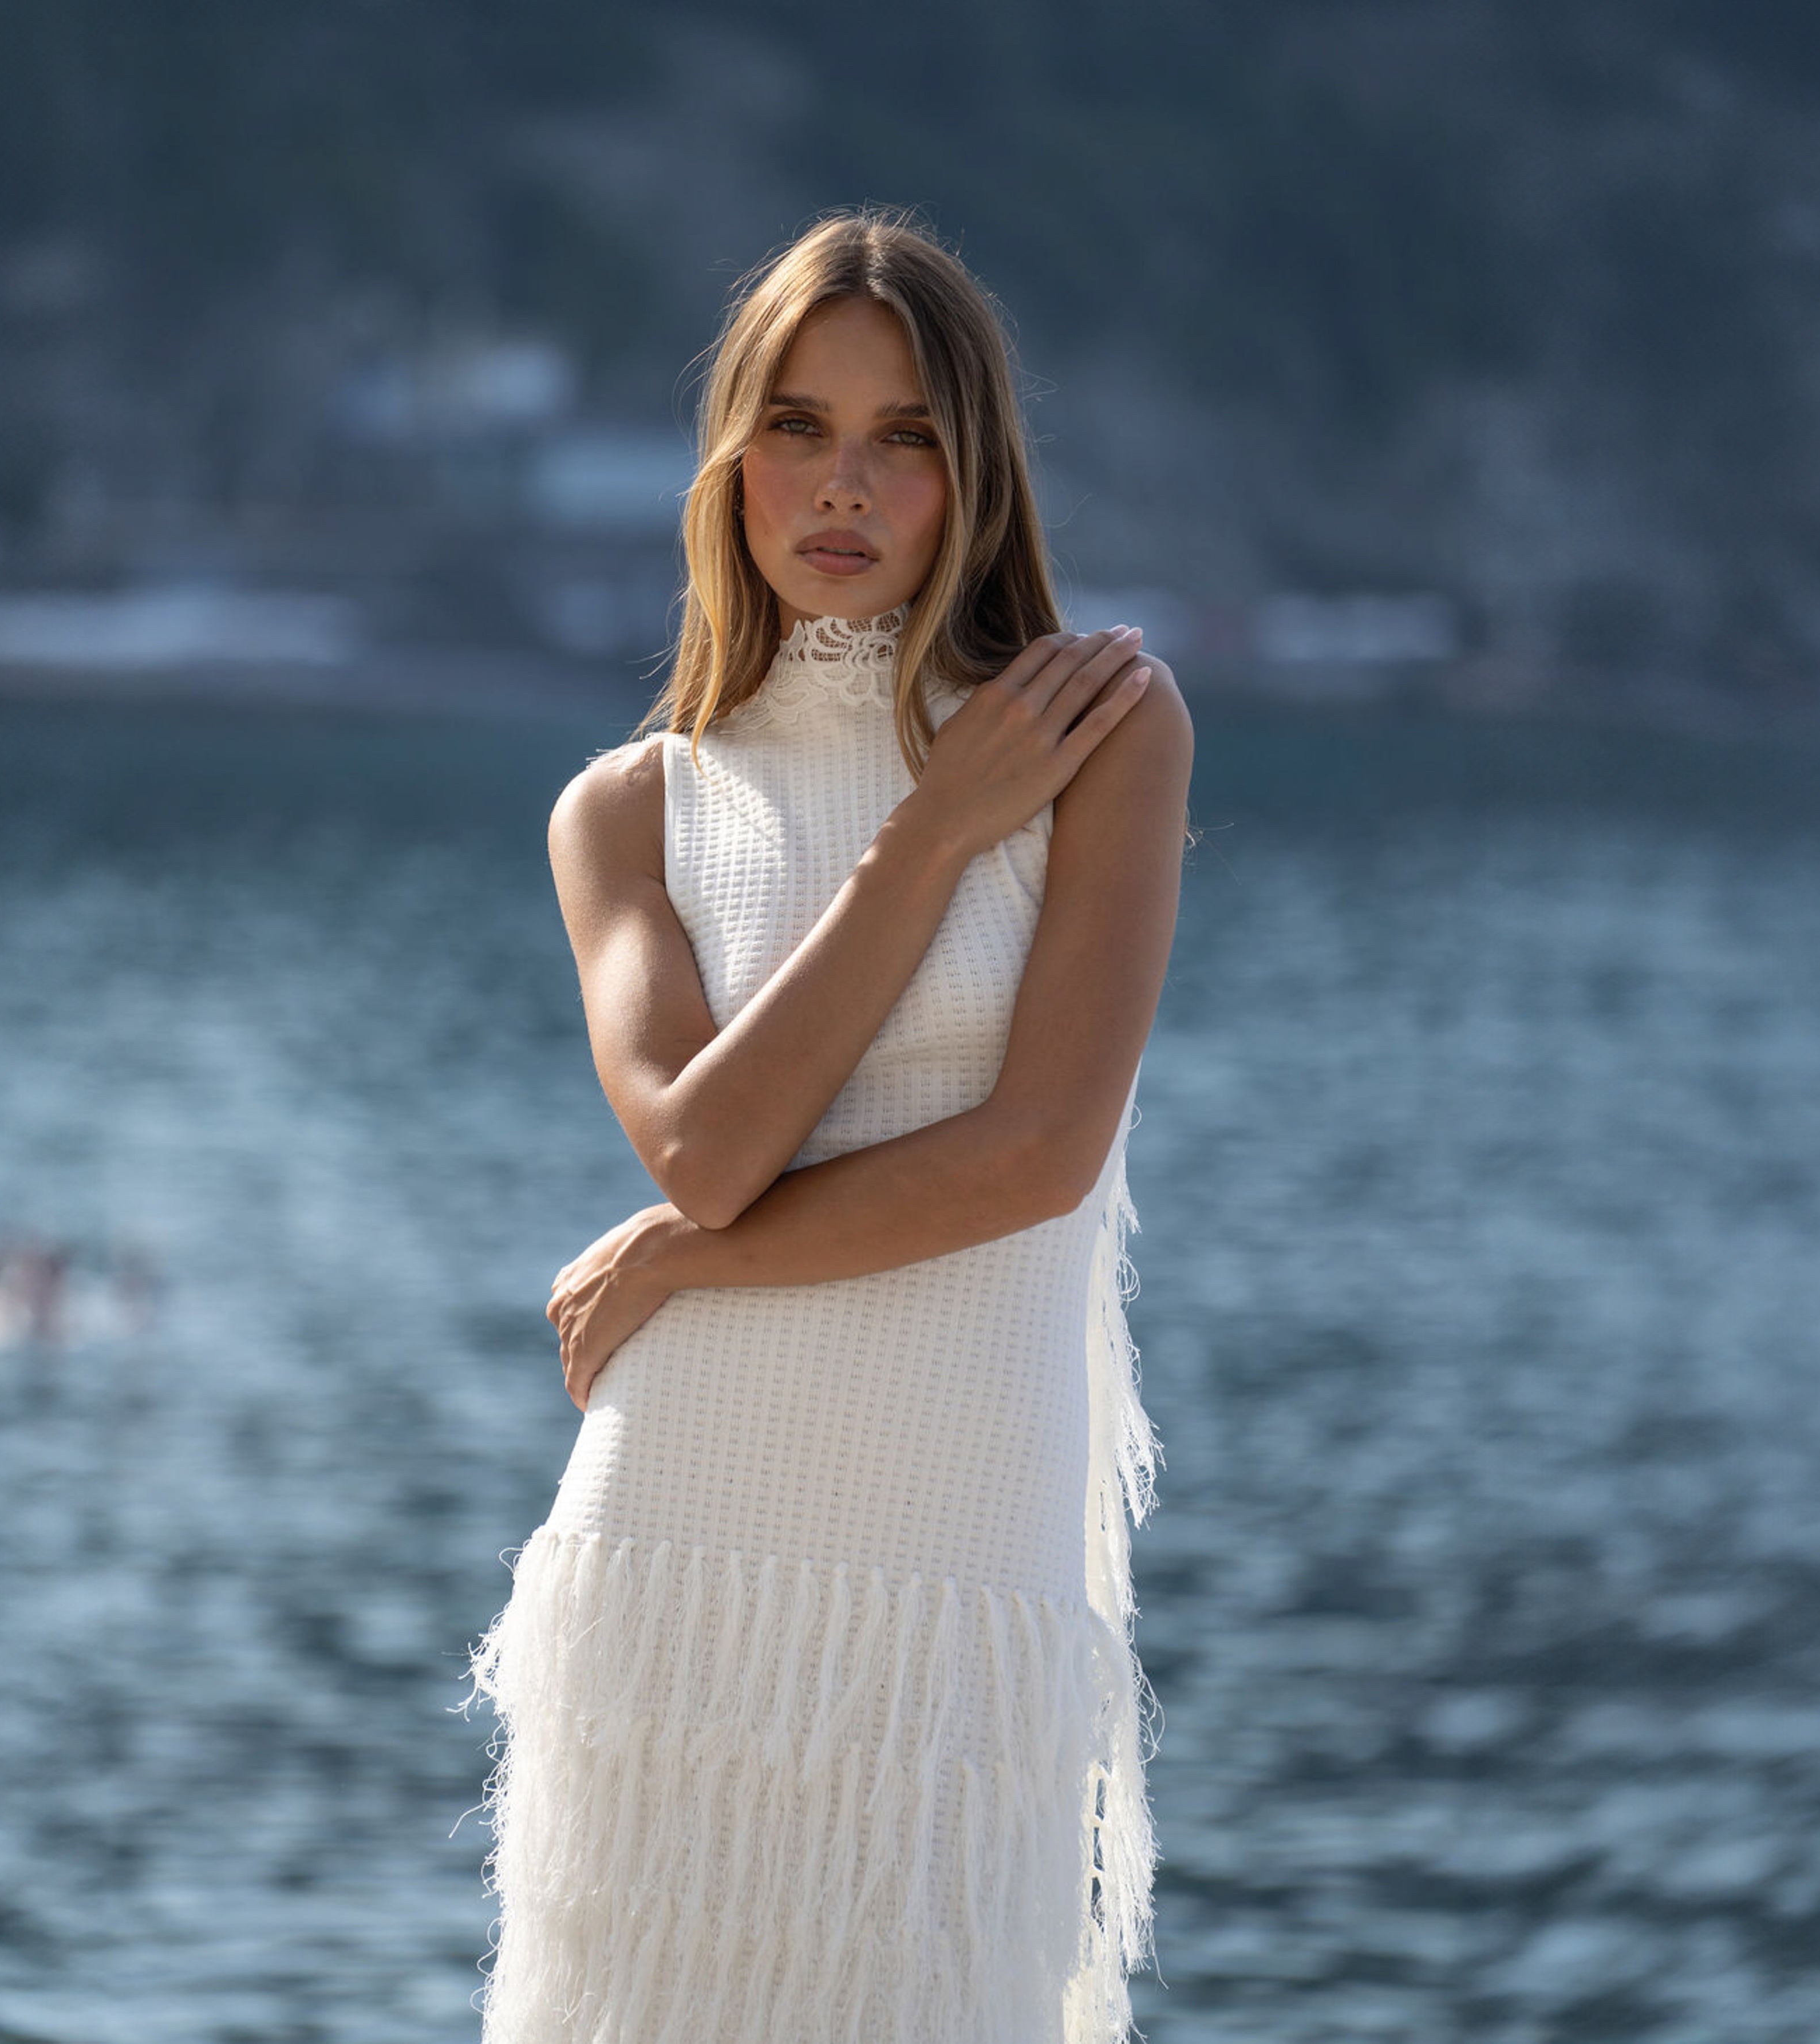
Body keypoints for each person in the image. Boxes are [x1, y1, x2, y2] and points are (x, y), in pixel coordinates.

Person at [469, 208, 1191, 2044]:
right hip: (681, 1567)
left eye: (905, 435)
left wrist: (696, 1257)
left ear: (976, 468)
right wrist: (929, 835)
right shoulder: (626, 809)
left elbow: (1041, 1154)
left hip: (961, 1584)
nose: (844, 484)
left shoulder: (1104, 731)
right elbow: (707, 1147)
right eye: (797, 426)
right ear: (731, 461)